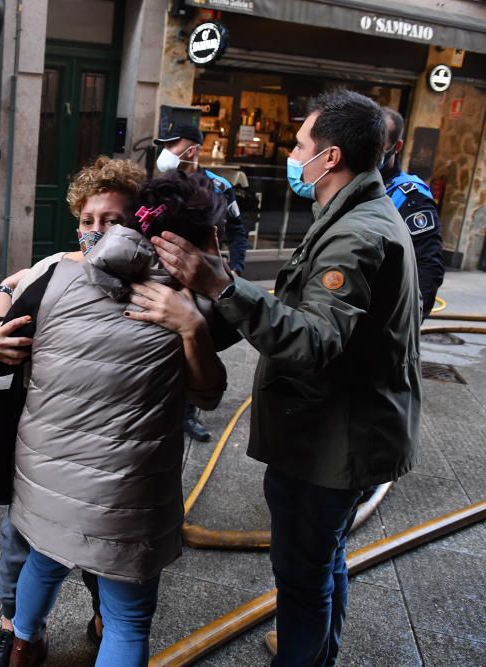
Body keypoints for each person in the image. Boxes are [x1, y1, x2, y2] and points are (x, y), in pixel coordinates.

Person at [149, 90, 421, 666]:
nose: (293, 154)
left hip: (333, 446)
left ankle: (303, 655)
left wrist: (221, 286)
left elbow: (314, 341)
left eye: (301, 145)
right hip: (335, 434)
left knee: (303, 578)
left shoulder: (357, 233)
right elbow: (300, 312)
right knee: (324, 563)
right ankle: (319, 650)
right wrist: (219, 280)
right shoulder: (349, 212)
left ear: (331, 157)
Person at [0, 170, 227, 667]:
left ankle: (22, 645)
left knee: (42, 563)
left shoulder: (51, 277)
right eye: (86, 220)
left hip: (46, 482)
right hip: (127, 498)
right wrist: (194, 321)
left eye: (108, 220)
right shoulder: (188, 303)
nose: (94, 230)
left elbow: (4, 317)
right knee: (127, 620)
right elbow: (206, 393)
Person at [153, 121, 249, 442]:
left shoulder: (219, 187)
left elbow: (237, 230)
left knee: (202, 341)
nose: (165, 153)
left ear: (192, 150)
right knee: (168, 343)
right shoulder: (161, 186)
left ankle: (189, 410)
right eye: (164, 146)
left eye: (172, 146)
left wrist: (235, 266)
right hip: (170, 276)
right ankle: (165, 403)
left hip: (207, 279)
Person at [379, 107, 444, 320]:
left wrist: (409, 328)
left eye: (380, 142)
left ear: (396, 146)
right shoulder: (348, 183)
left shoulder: (410, 196)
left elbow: (428, 266)